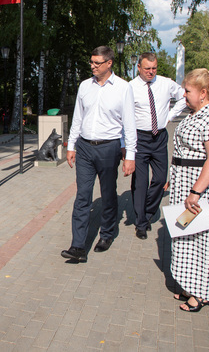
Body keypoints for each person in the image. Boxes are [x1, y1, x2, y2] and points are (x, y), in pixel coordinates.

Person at [60, 46, 137, 263]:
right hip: (84, 148)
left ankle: (107, 234)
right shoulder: (85, 86)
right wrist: (71, 145)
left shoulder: (123, 88)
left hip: (108, 148)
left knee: (108, 193)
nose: (92, 66)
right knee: (82, 196)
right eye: (91, 62)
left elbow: (129, 124)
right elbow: (78, 117)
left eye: (97, 63)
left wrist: (130, 156)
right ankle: (78, 246)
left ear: (109, 63)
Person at [168, 68, 209, 312]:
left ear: (203, 93)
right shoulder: (196, 113)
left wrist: (195, 192)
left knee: (205, 241)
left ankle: (203, 294)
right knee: (187, 236)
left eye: (187, 91)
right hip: (187, 185)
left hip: (205, 191)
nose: (183, 95)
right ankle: (189, 285)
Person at [129, 53, 186, 240]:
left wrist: (170, 115)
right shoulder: (130, 87)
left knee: (161, 179)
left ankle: (147, 212)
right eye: (147, 68)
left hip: (160, 137)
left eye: (154, 68)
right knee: (140, 182)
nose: (151, 72)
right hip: (139, 138)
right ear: (139, 67)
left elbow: (184, 96)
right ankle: (141, 223)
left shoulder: (166, 83)